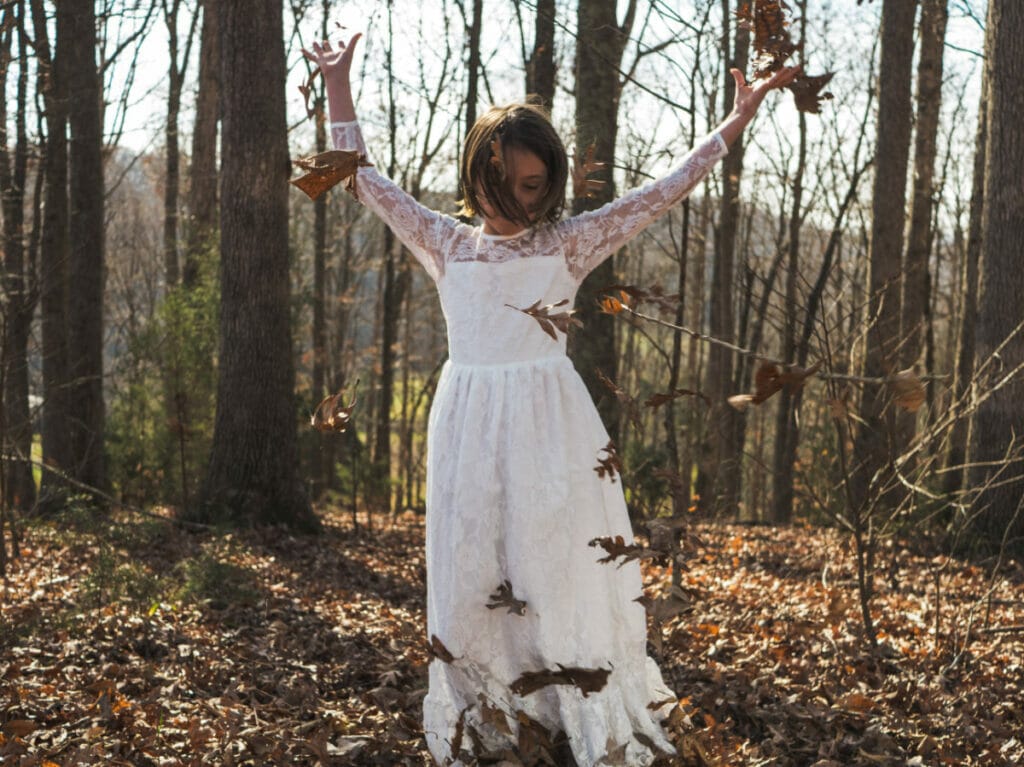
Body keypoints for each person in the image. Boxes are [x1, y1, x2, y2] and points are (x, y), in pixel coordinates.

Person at [305, 32, 799, 766]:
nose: (514, 197)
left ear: (553, 184)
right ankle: (487, 709)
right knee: (474, 565)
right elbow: (360, 178)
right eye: (501, 181)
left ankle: (564, 701)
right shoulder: (445, 244)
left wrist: (736, 122)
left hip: (548, 426)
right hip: (468, 425)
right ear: (476, 177)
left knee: (550, 563)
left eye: (532, 185)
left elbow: (662, 192)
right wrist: (337, 84)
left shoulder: (567, 244)